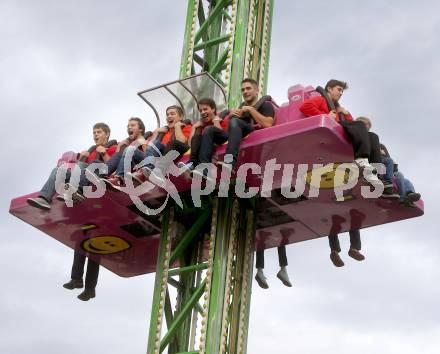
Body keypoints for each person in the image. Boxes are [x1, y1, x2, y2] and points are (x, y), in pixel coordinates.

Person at [299, 80, 394, 194]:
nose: (340, 93)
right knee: (360, 124)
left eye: (342, 91)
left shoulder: (336, 108)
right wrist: (325, 115)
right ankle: (361, 159)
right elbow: (305, 107)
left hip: (339, 128)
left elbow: (352, 125)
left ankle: (375, 174)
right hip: (332, 129)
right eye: (339, 89)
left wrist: (345, 113)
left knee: (372, 136)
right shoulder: (321, 99)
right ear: (329, 89)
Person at [27, 122, 117, 210]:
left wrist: (104, 153)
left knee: (81, 165)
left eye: (99, 132)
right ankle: (44, 198)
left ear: (107, 134)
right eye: (94, 133)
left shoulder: (113, 147)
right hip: (83, 176)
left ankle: (73, 192)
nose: (95, 135)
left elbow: (113, 166)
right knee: (59, 170)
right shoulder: (90, 152)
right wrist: (82, 158)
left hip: (98, 175)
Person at [194, 78, 275, 175]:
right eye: (243, 90)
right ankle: (203, 169)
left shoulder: (266, 105)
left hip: (251, 130)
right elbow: (228, 128)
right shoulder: (240, 108)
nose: (245, 91)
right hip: (234, 133)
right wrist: (230, 116)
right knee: (209, 129)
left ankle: (229, 163)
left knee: (235, 121)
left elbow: (268, 124)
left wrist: (251, 109)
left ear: (257, 90)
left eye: (248, 88)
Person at [127, 105, 192, 185]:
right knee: (131, 150)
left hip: (179, 151)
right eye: (167, 115)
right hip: (160, 156)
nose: (169, 116)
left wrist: (177, 127)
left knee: (171, 143)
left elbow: (181, 142)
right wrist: (156, 133)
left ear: (181, 116)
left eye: (172, 114)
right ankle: (127, 176)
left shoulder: (186, 127)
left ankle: (159, 172)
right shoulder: (164, 132)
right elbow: (149, 149)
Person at [178, 98, 228, 174]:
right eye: (200, 110)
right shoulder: (201, 125)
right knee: (196, 137)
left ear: (213, 109)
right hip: (207, 148)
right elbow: (190, 145)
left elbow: (222, 136)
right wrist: (194, 128)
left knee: (208, 129)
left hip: (221, 141)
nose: (202, 112)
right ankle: (191, 164)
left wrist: (216, 122)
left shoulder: (222, 119)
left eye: (205, 109)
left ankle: (204, 167)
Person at [98, 117, 149, 190]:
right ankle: (100, 175)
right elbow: (114, 162)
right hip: (128, 167)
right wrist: (120, 146)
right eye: (128, 126)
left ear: (140, 129)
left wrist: (142, 142)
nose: (129, 127)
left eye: (132, 125)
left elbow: (148, 158)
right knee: (95, 162)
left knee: (130, 149)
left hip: (141, 165)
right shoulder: (126, 144)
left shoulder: (146, 141)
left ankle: (118, 179)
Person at [355, 117, 399, 198]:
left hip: (375, 160)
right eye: (362, 123)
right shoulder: (356, 133)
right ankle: (384, 183)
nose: (365, 126)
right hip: (361, 158)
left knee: (394, 167)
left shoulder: (373, 138)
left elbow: (386, 158)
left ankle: (386, 185)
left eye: (367, 124)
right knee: (388, 162)